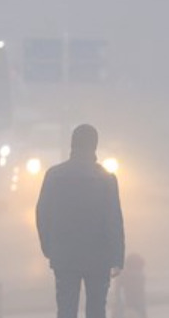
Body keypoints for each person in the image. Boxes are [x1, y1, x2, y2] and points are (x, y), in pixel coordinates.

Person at [36, 124, 126, 318]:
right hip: (98, 256)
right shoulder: (106, 178)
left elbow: (42, 214)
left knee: (66, 310)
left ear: (72, 144)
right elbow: (113, 220)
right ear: (94, 146)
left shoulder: (54, 175)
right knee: (96, 310)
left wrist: (49, 248)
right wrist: (117, 257)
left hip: (64, 255)